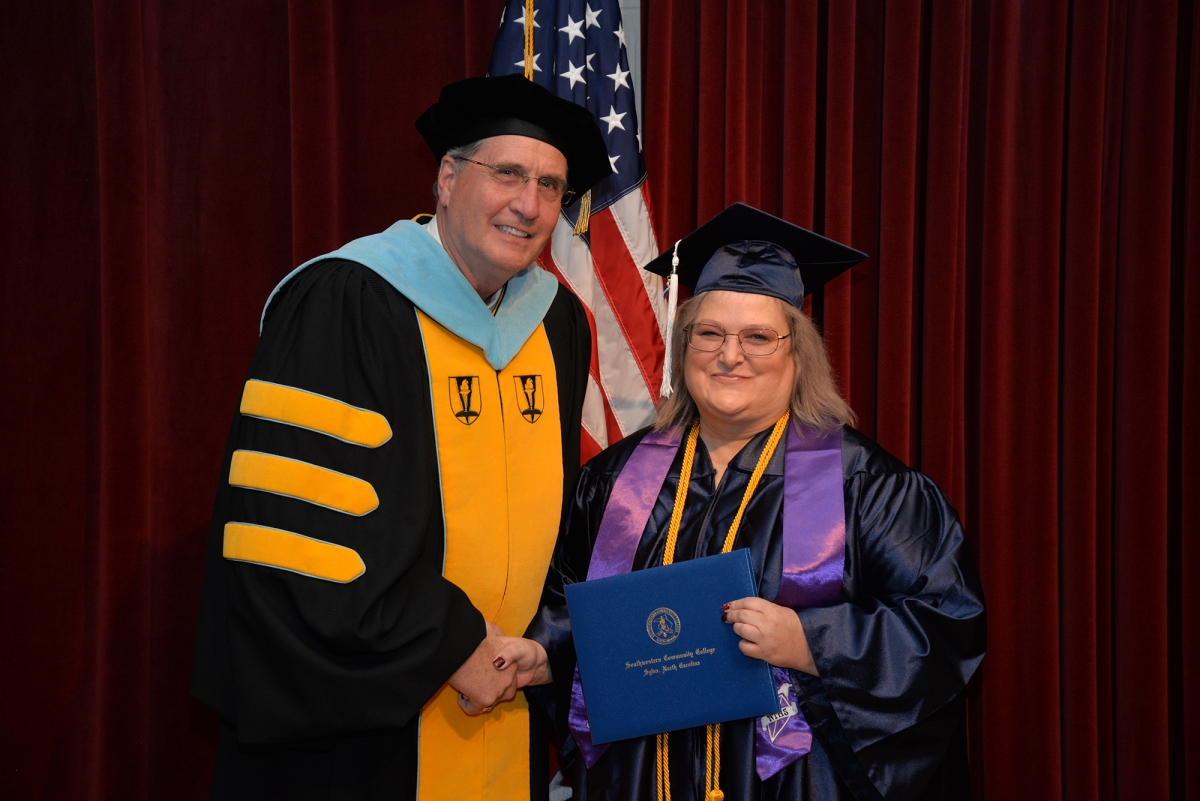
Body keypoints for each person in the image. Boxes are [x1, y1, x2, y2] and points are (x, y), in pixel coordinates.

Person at [190, 74, 611, 801]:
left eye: (551, 185)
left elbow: (555, 517)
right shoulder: (345, 302)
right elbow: (303, 532)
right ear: (448, 178)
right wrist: (451, 647)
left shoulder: (558, 324)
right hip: (368, 733)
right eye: (507, 173)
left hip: (506, 698)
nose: (529, 204)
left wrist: (544, 643)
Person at [495, 203, 987, 800]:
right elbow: (572, 608)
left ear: (799, 354)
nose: (730, 356)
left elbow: (946, 625)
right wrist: (541, 655)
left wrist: (815, 642)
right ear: (683, 346)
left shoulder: (867, 487)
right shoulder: (613, 483)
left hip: (795, 784)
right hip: (641, 779)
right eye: (710, 334)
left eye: (759, 337)